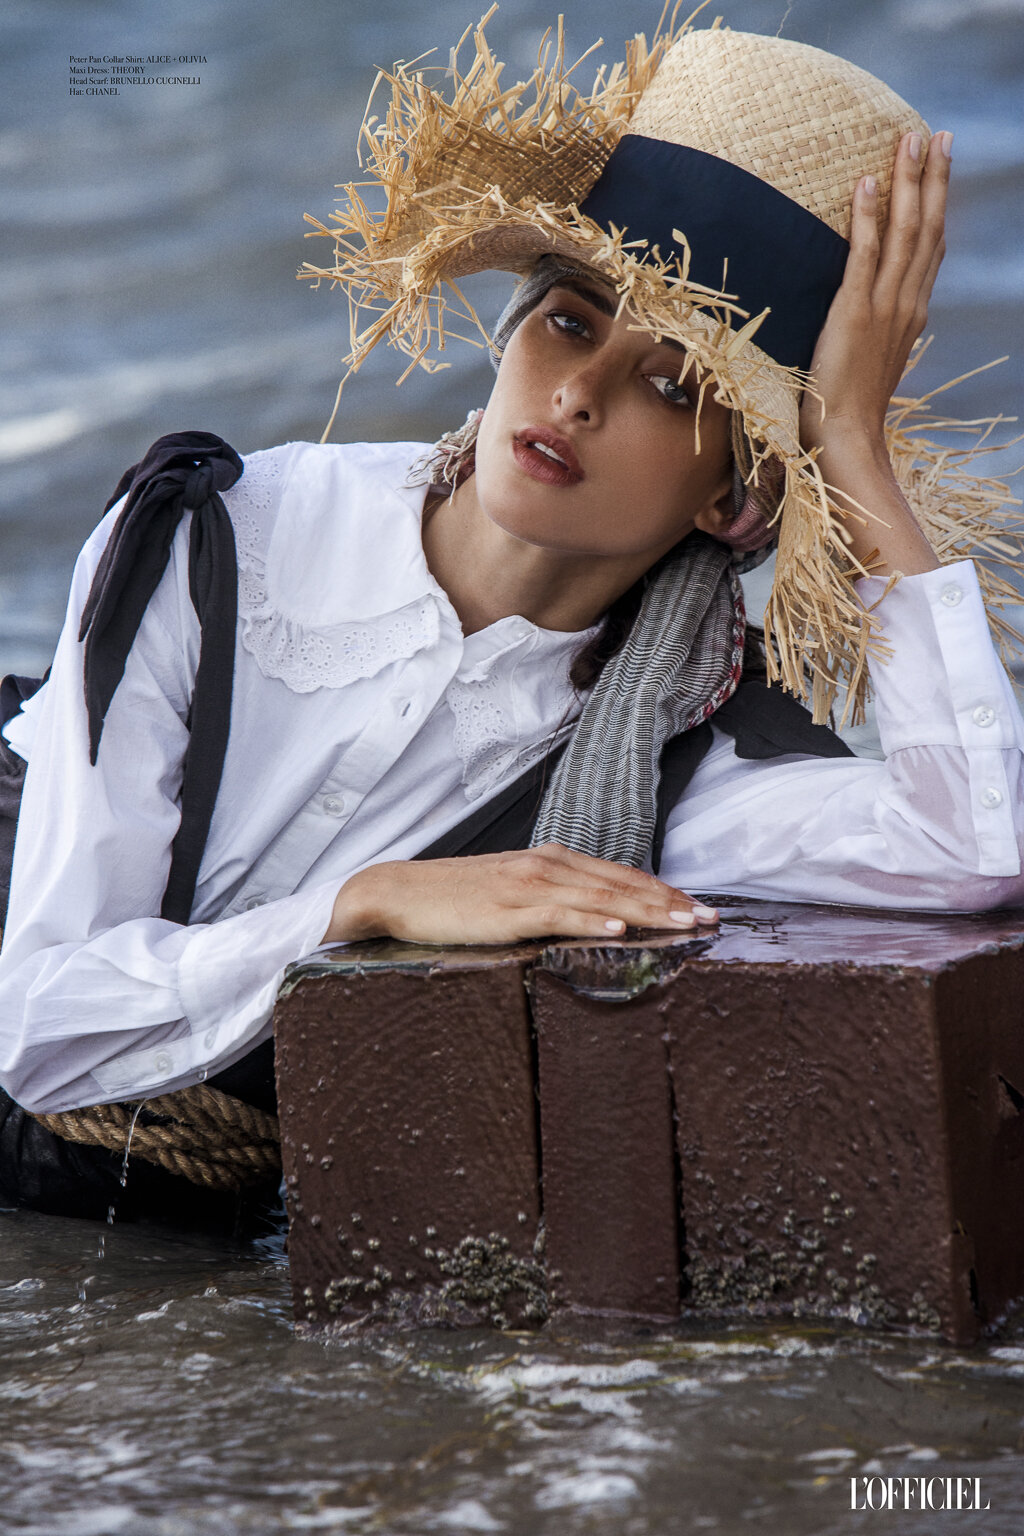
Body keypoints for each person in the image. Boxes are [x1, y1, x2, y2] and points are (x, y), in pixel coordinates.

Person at [0, 17, 1021, 1216]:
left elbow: (973, 844)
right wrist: (364, 902)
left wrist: (848, 446)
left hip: (155, 1208)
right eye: (569, 320)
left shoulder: (661, 763)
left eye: (669, 384)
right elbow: (46, 1020)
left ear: (737, 500)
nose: (579, 393)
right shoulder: (220, 534)